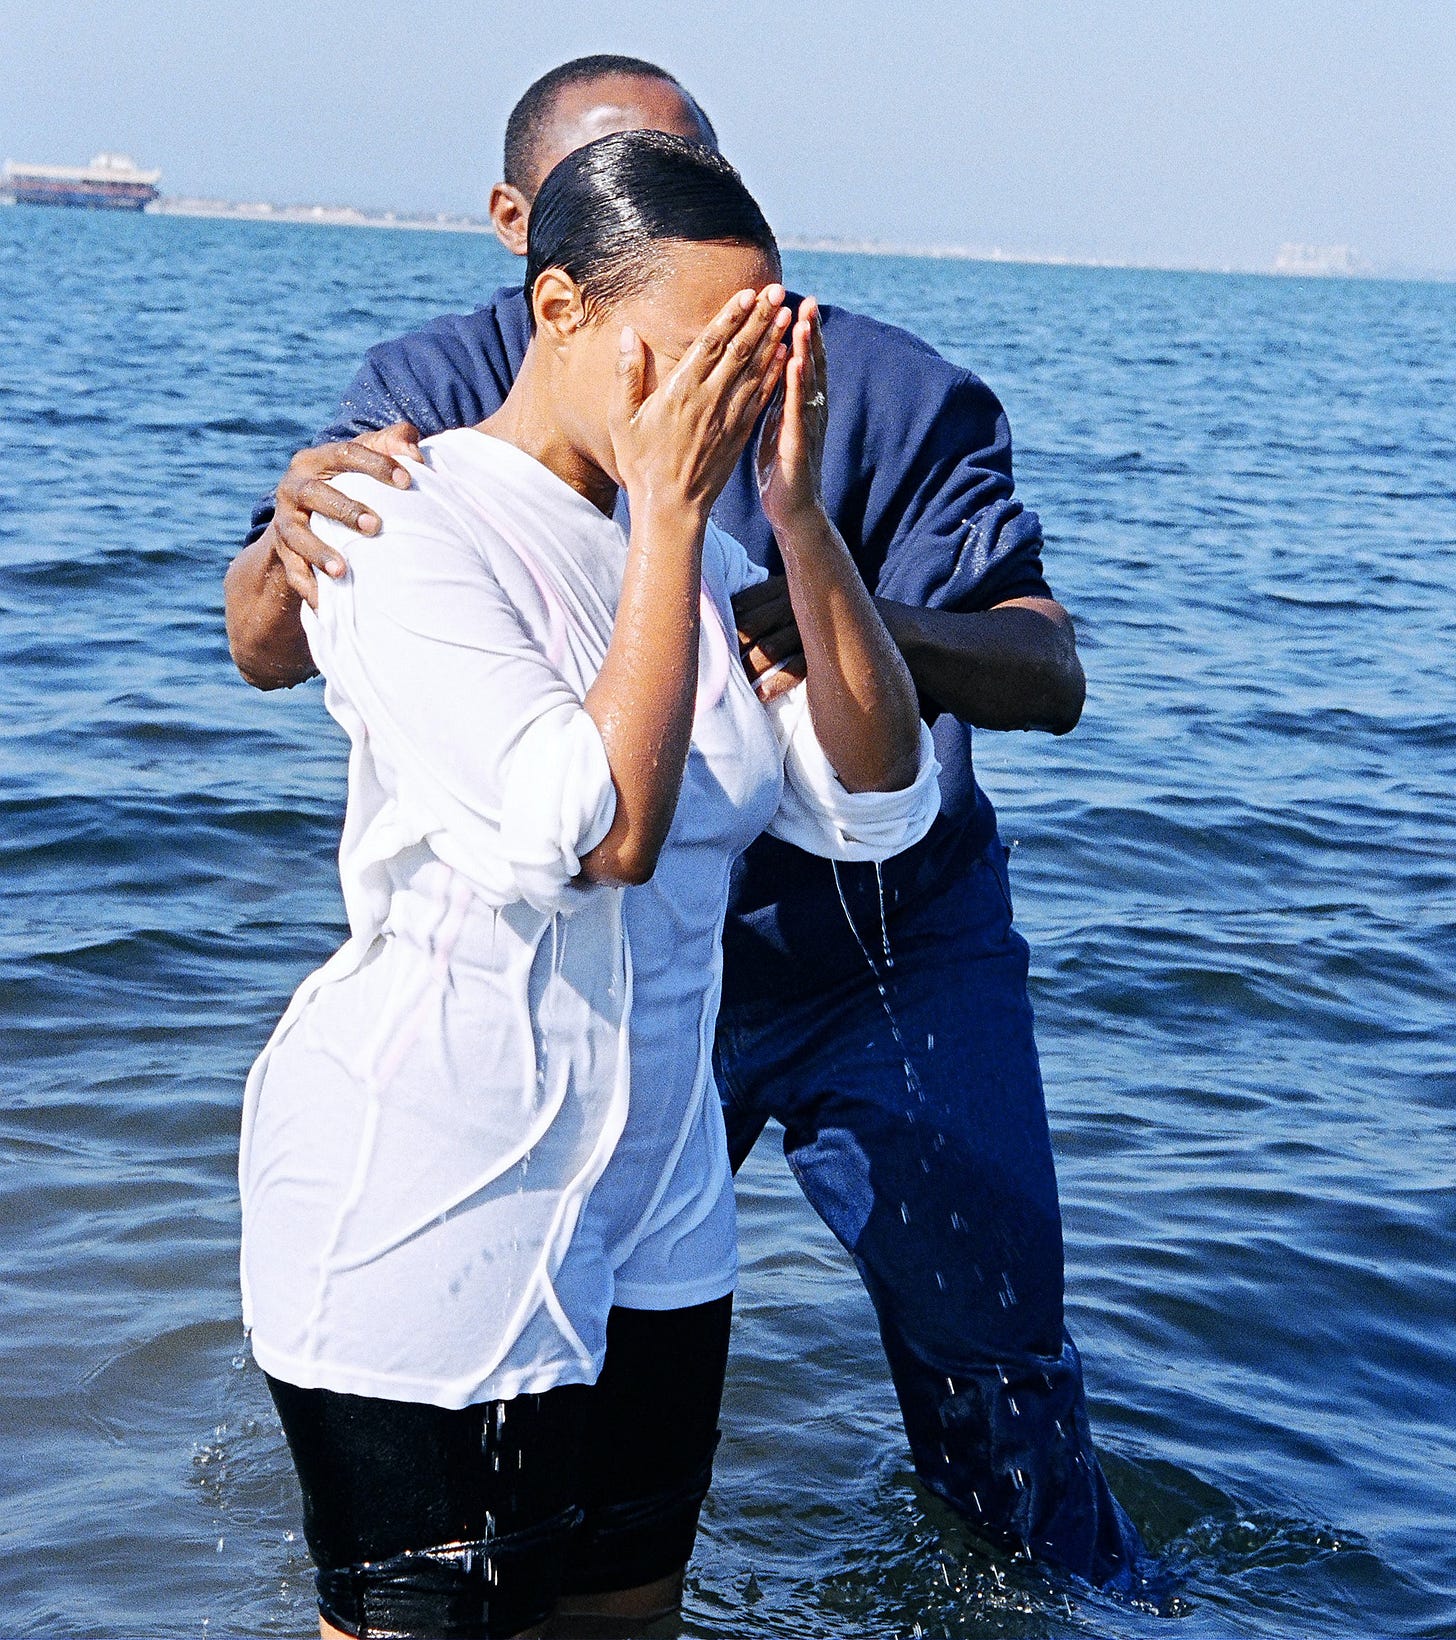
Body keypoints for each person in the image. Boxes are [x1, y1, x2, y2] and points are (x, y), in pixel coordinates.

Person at [226, 55, 1147, 1592]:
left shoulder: (867, 389)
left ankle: (1074, 1600)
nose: (707, 363)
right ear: (543, 261)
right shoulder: (434, 413)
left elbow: (1022, 689)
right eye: (626, 185)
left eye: (697, 167)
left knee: (983, 1359)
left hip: (889, 957)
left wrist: (830, 586)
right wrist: (288, 544)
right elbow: (285, 644)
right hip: (616, 977)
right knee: (486, 1452)